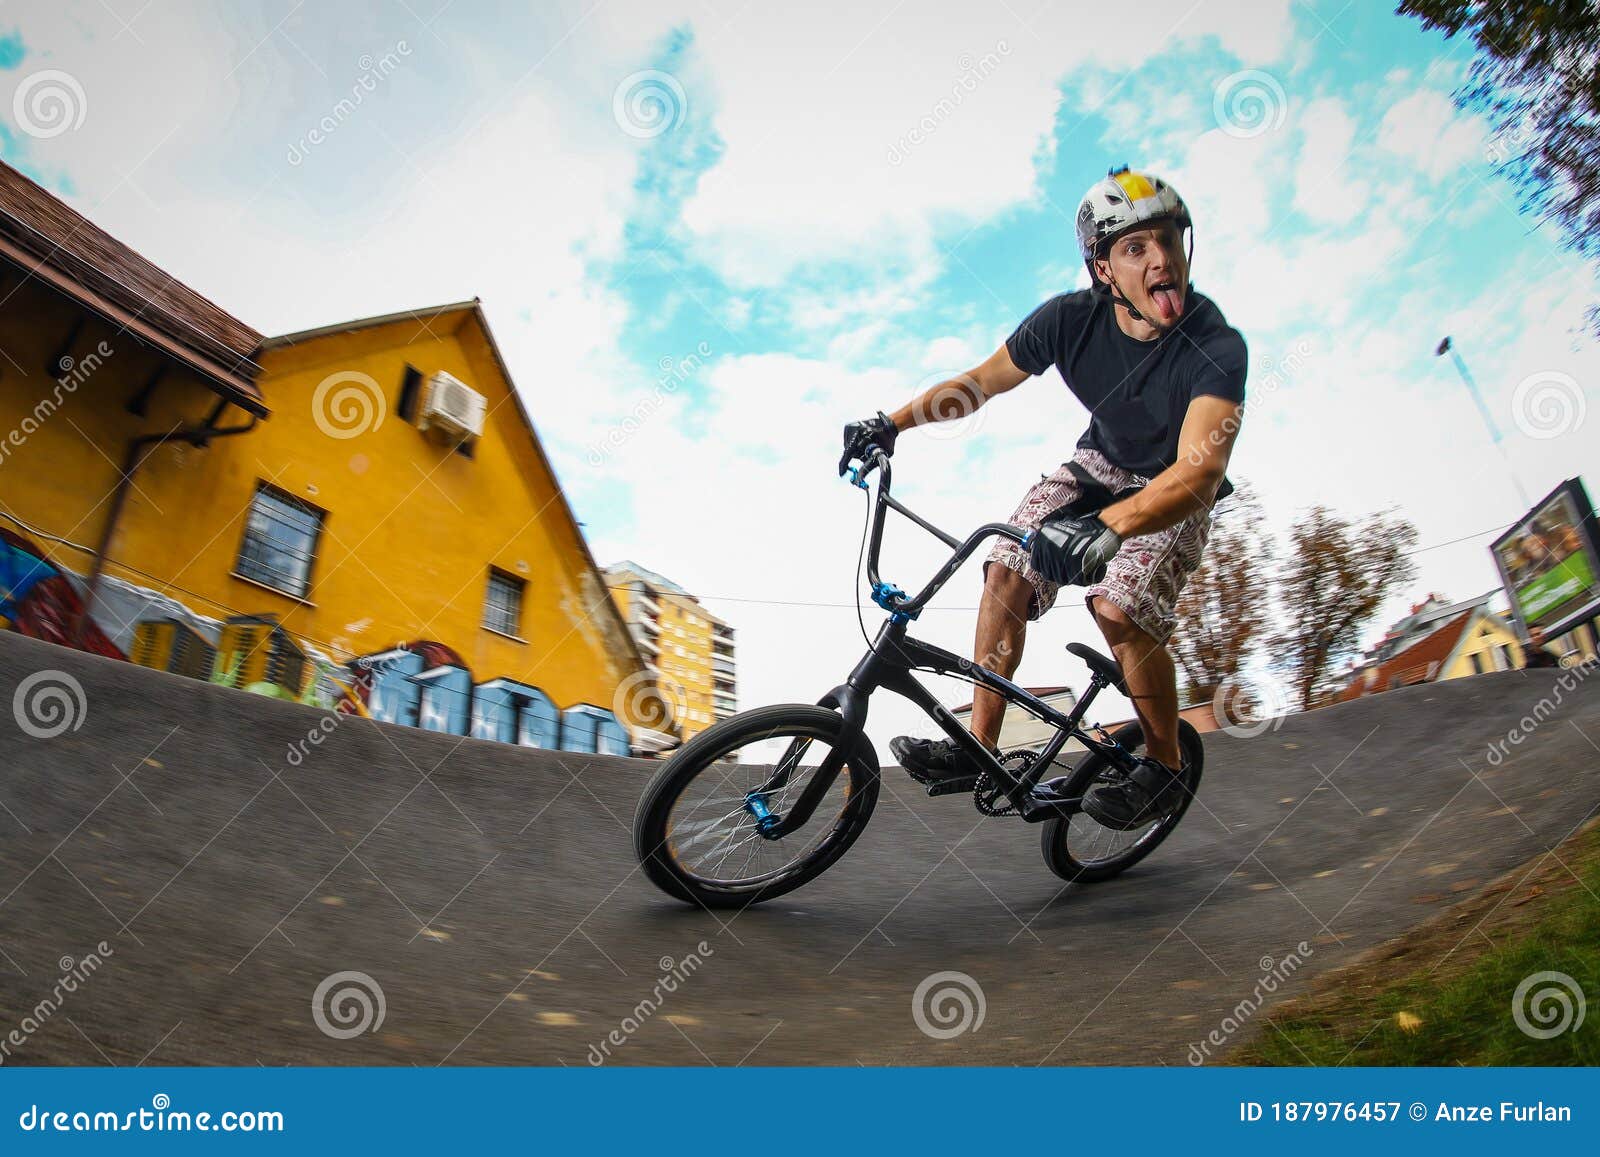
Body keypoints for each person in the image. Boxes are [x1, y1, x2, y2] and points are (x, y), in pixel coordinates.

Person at [840, 166, 1246, 829]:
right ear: (1104, 269)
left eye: (1169, 240)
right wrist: (892, 423)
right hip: (1098, 466)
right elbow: (980, 382)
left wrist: (1109, 529)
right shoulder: (1069, 321)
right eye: (1136, 248)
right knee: (1005, 566)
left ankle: (1166, 769)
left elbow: (1198, 472)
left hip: (1172, 487)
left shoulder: (1216, 346)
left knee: (1117, 608)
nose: (1161, 259)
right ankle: (979, 746)